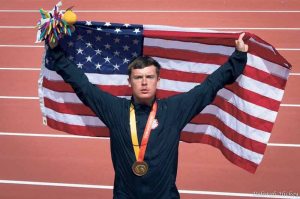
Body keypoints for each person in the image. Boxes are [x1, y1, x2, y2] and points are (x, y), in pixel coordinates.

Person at [46, 33, 248, 199]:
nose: (144, 82)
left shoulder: (174, 110)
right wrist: (56, 52)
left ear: (158, 81)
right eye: (138, 78)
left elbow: (209, 87)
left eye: (149, 77)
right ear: (129, 82)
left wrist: (238, 57)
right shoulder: (116, 111)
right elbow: (84, 87)